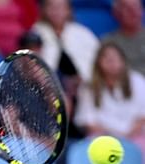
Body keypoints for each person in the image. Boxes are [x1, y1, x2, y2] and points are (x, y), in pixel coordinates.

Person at [74, 41, 145, 164]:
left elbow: (142, 117)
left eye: (115, 58)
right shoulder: (89, 87)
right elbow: (88, 122)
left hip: (134, 136)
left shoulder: (137, 81)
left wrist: (125, 137)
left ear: (123, 61)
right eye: (106, 58)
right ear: (98, 62)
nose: (111, 62)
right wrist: (109, 137)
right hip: (100, 138)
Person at [33, 0, 100, 139]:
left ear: (69, 10)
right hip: (48, 90)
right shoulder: (36, 31)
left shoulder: (82, 33)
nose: (56, 11)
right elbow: (32, 66)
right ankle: (54, 137)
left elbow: (98, 62)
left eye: (61, 7)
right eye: (52, 7)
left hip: (85, 88)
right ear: (44, 10)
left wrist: (81, 81)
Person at [103, 0, 145, 76]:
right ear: (116, 13)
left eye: (136, 7)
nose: (133, 11)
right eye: (127, 8)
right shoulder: (108, 42)